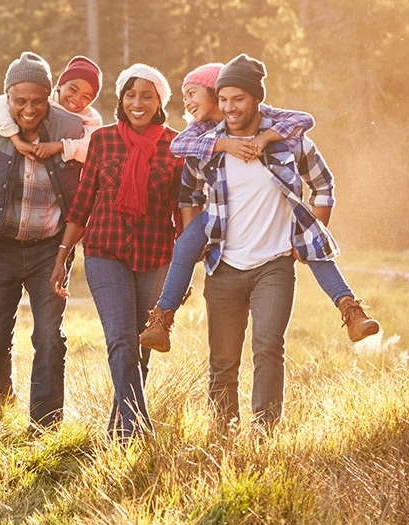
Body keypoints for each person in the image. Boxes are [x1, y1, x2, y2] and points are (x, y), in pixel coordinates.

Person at [169, 53, 376, 432]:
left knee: (267, 348)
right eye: (225, 99)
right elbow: (188, 193)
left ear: (256, 99)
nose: (231, 107)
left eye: (240, 99)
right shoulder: (208, 145)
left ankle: (264, 432)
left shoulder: (289, 142)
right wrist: (193, 235)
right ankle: (223, 432)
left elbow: (324, 185)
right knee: (223, 360)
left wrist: (310, 234)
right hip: (224, 265)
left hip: (275, 265)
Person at [140, 62, 380, 353]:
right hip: (217, 215)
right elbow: (180, 151)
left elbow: (303, 119)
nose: (188, 102)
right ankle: (162, 319)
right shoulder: (201, 131)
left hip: (274, 216)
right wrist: (225, 145)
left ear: (216, 93)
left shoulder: (265, 119)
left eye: (192, 93)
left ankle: (350, 308)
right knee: (185, 245)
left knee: (311, 243)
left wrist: (266, 137)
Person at [50, 64, 184, 441]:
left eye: (146, 96)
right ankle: (141, 431)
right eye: (130, 95)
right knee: (121, 341)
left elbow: (181, 213)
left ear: (160, 101)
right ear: (120, 99)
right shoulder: (103, 141)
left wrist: (182, 273)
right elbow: (82, 204)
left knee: (141, 348)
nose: (136, 103)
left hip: (156, 256)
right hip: (105, 252)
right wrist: (62, 256)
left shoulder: (176, 146)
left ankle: (119, 432)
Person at [0, 52, 85, 429]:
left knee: (49, 337)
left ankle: (45, 423)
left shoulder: (71, 128)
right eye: (20, 101)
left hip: (49, 248)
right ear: (7, 98)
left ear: (49, 95)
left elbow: (91, 177)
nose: (28, 109)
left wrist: (66, 254)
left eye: (37, 100)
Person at [0, 55, 103, 163]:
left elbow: (95, 148)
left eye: (86, 97)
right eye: (73, 90)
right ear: (60, 85)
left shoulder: (89, 119)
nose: (77, 99)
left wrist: (61, 146)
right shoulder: (42, 98)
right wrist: (16, 139)